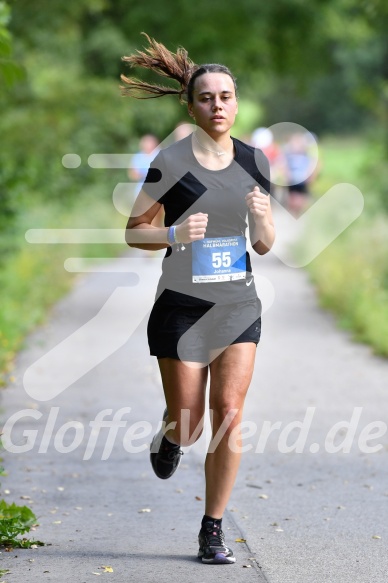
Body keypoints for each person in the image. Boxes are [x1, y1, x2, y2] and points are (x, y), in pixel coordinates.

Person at [121, 34, 275, 565]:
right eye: (207, 97)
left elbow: (264, 243)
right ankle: (169, 436)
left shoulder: (256, 161)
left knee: (229, 414)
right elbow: (133, 231)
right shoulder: (171, 159)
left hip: (238, 305)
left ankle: (212, 528)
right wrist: (173, 236)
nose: (218, 106)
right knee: (189, 424)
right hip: (182, 307)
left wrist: (262, 221)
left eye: (226, 96)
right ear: (191, 104)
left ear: (237, 101)